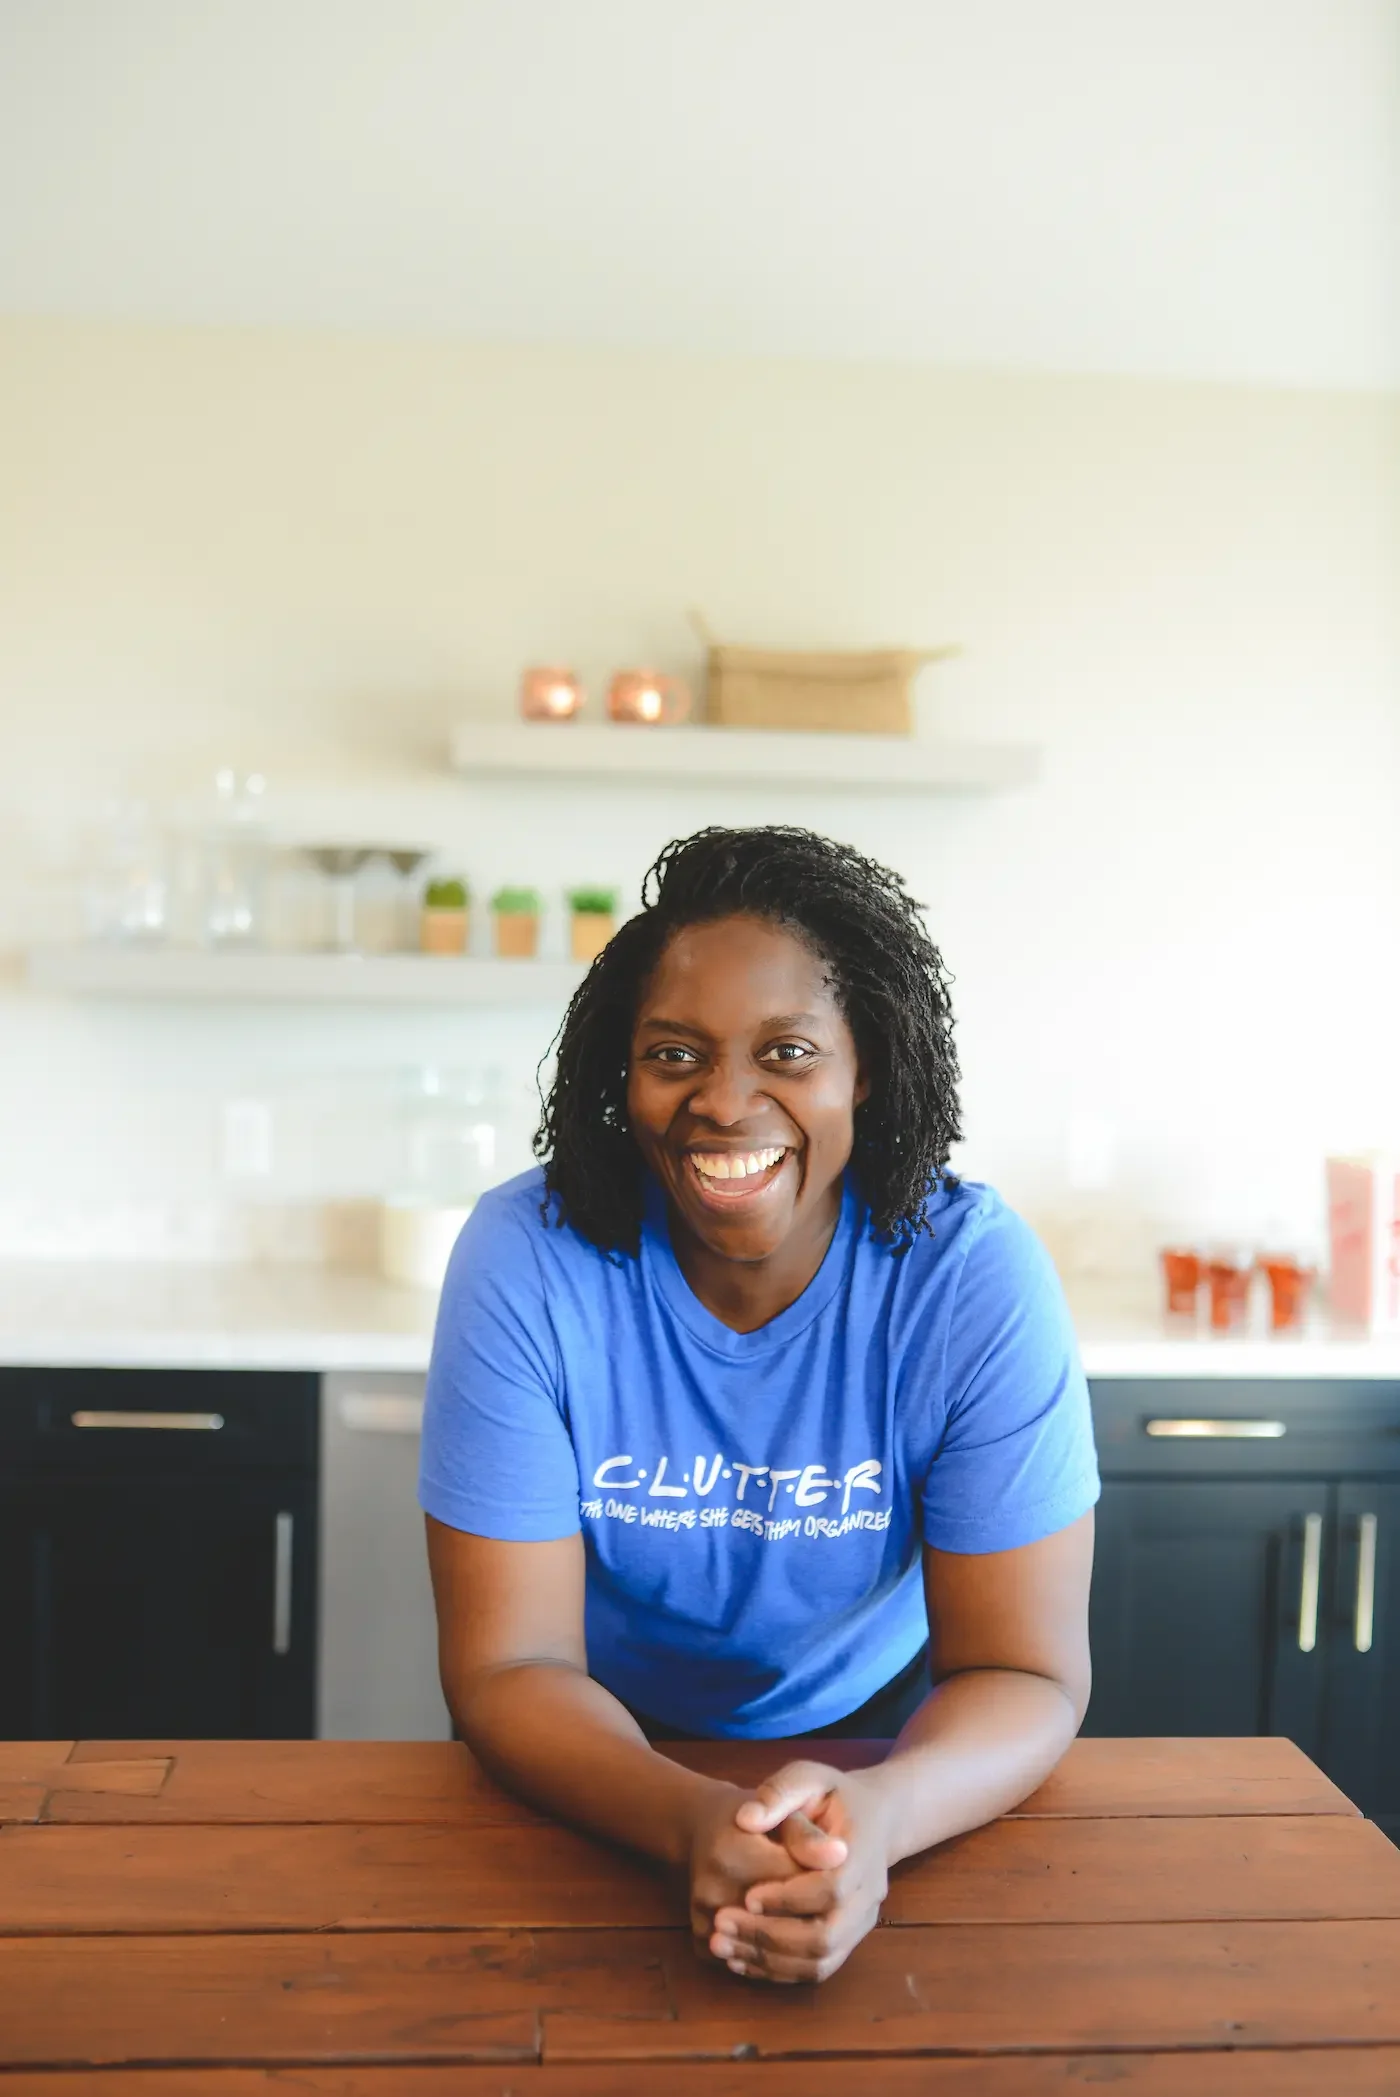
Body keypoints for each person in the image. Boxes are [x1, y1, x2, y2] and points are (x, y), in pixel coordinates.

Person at [420, 825, 1098, 1985]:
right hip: (588, 1755)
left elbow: (1022, 1672)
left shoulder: (967, 1276)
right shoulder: (528, 1257)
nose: (724, 1102)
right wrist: (689, 1820)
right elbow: (509, 1666)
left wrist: (877, 1817)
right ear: (616, 1074)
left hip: (894, 1746)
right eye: (673, 1054)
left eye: (786, 1051)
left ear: (864, 1068)